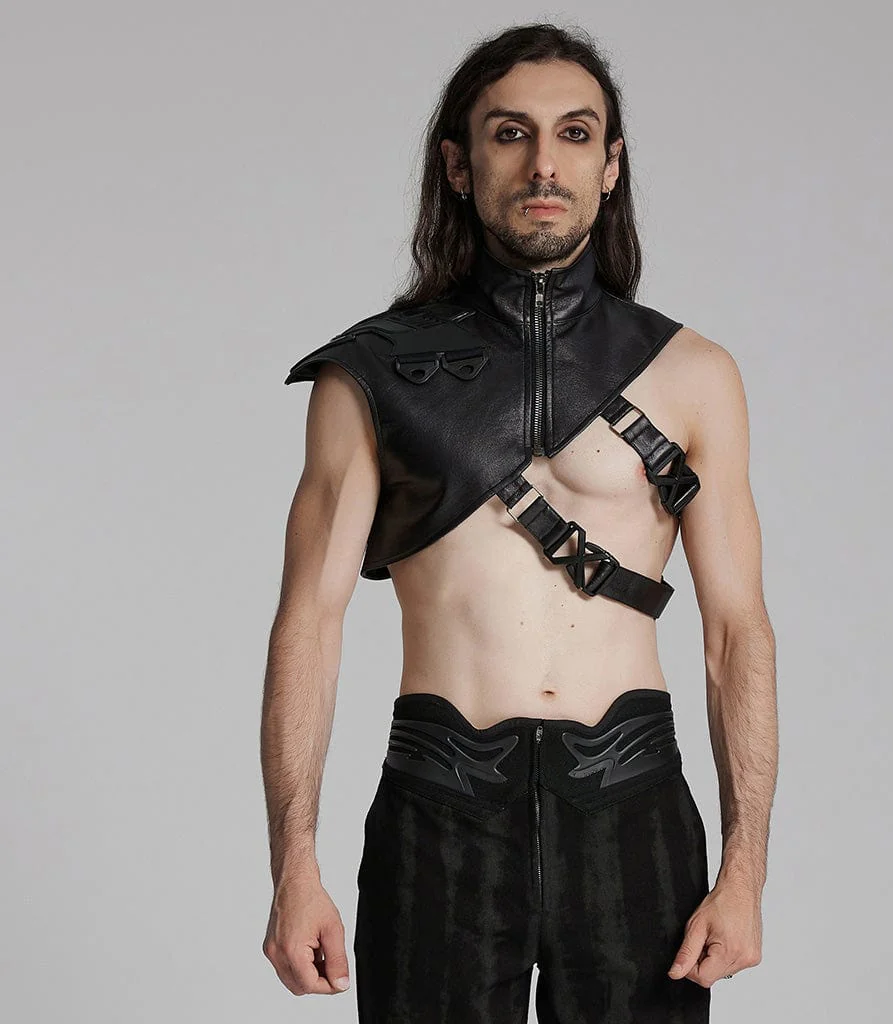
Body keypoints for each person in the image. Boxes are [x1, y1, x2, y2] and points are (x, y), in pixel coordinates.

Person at [260, 21, 777, 1024]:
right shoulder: (367, 376)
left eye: (574, 133)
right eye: (510, 133)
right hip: (440, 809)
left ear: (610, 165)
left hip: (632, 806)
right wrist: (293, 862)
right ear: (458, 165)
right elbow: (308, 623)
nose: (544, 163)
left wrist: (746, 867)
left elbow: (735, 632)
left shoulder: (694, 374)